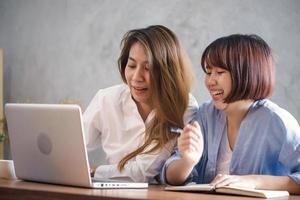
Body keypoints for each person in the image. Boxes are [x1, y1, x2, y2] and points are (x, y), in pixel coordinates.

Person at [161, 34, 300, 193]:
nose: (210, 81)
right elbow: (170, 176)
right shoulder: (206, 114)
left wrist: (254, 181)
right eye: (208, 72)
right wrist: (187, 161)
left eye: (220, 72)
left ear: (248, 73)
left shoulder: (277, 121)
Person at [83, 25, 198, 183]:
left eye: (148, 68)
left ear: (167, 71)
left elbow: (144, 172)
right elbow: (71, 147)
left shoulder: (184, 105)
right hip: (109, 191)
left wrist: (96, 171)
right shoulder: (106, 99)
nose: (137, 77)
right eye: (131, 66)